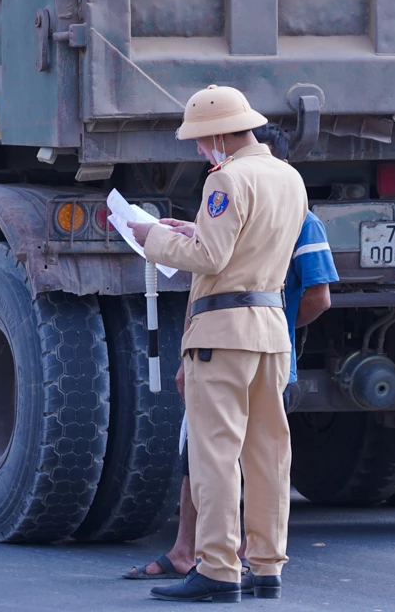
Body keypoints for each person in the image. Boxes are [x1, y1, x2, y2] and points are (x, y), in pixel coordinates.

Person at [129, 85, 308, 603]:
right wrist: (194, 228)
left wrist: (152, 238)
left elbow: (211, 259)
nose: (198, 149)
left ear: (220, 135)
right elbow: (251, 241)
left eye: (200, 139)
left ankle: (218, 568)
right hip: (271, 331)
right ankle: (266, 566)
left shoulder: (226, 179)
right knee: (268, 454)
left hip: (222, 335)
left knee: (215, 456)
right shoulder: (288, 177)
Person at [124, 210, 336, 588]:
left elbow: (318, 298)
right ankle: (191, 551)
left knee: (244, 459)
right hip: (218, 349)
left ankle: (239, 561)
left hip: (256, 354)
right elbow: (207, 283)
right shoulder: (237, 209)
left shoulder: (301, 220)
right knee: (200, 453)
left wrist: (274, 322)